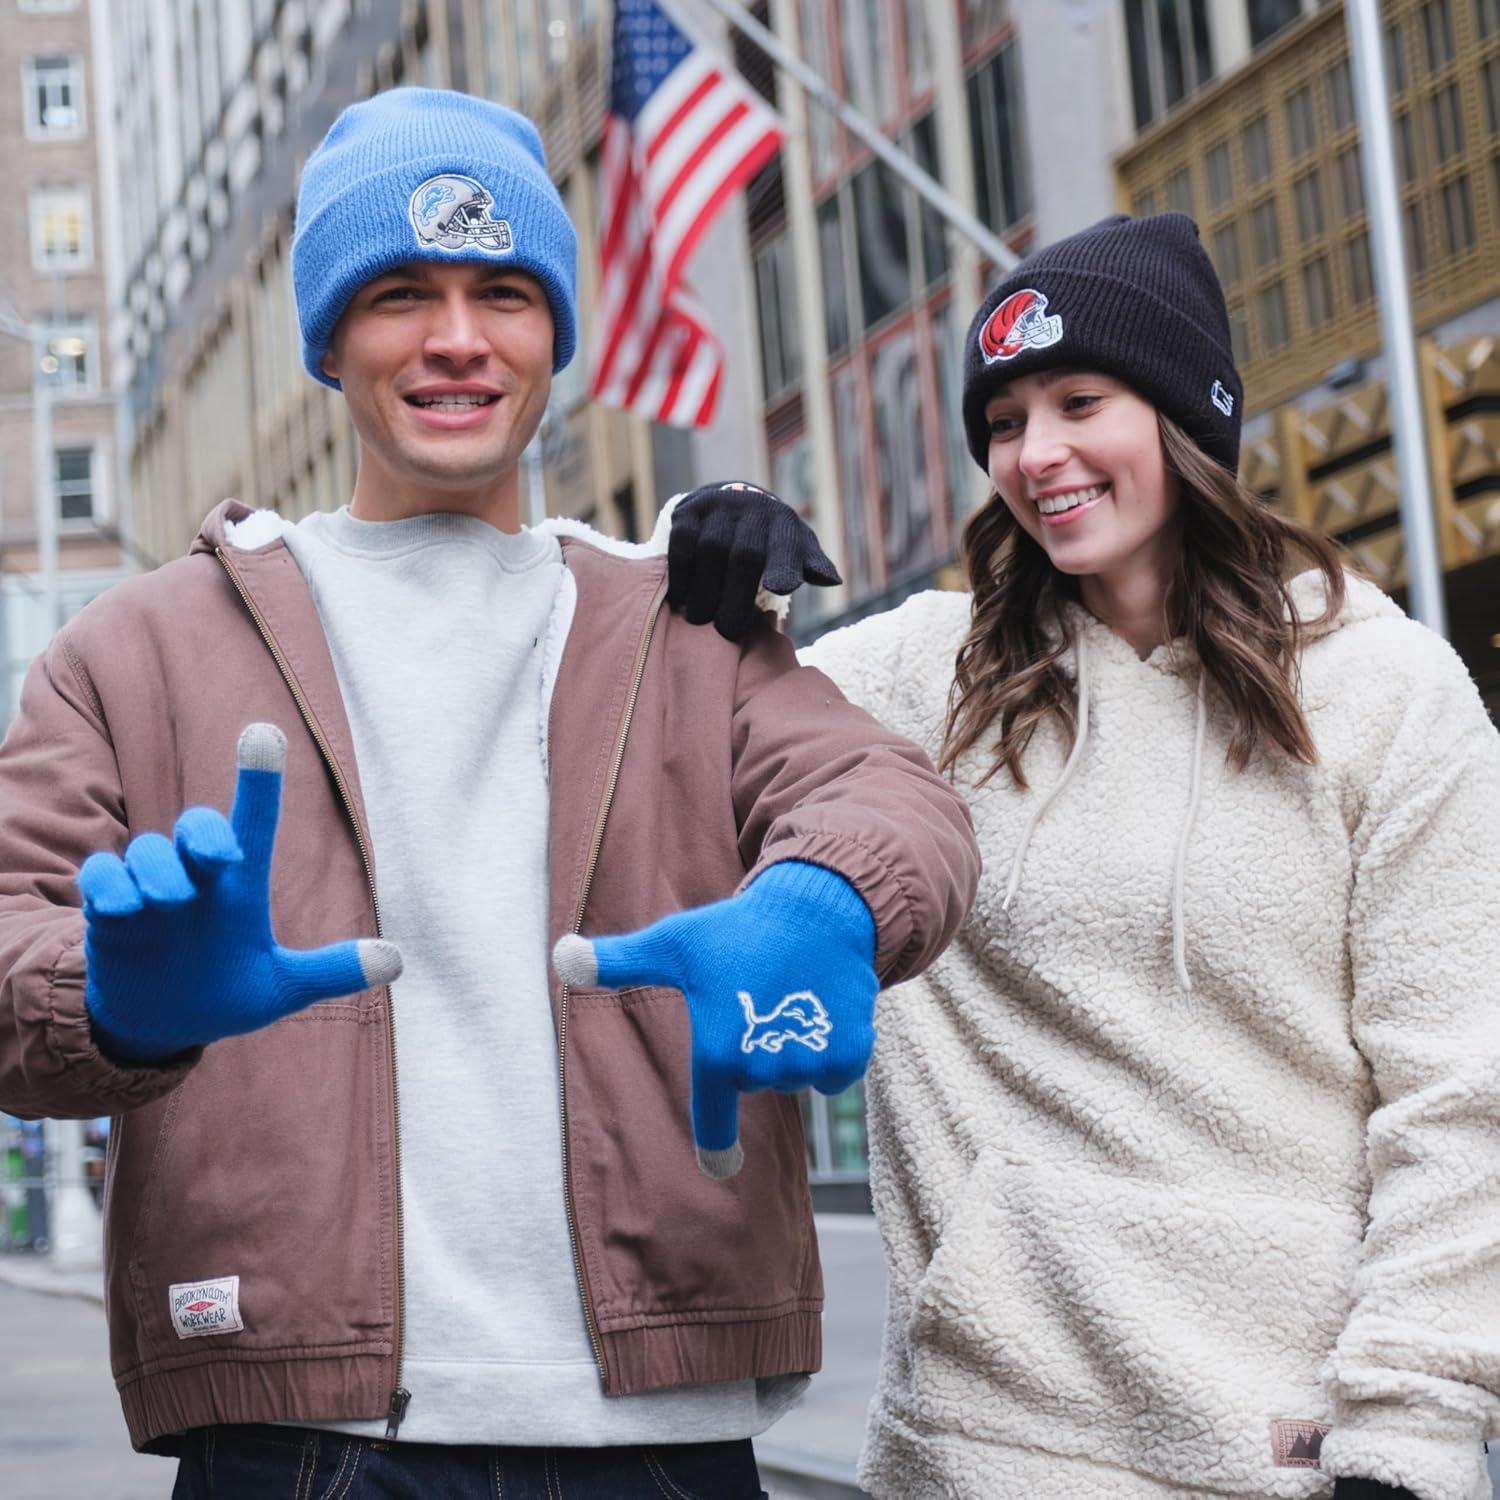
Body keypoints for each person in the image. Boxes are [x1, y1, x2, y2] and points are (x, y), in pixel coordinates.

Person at [0, 87, 979, 1499]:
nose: (457, 338)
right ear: (329, 338)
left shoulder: (684, 626)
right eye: (400, 293)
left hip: (660, 1438)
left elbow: (894, 802)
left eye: (502, 293)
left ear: (554, 336)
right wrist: (108, 1000)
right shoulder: (133, 652)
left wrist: (820, 900)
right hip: (300, 1438)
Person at [677, 213, 1500, 1500]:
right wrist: (708, 543)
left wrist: (1410, 1443)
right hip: (979, 1443)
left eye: (1079, 403)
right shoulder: (922, 677)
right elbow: (670, 719)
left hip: (1294, 1448)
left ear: (1185, 417)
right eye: (1004, 422)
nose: (1036, 454)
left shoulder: (1384, 689)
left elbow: (1464, 1091)